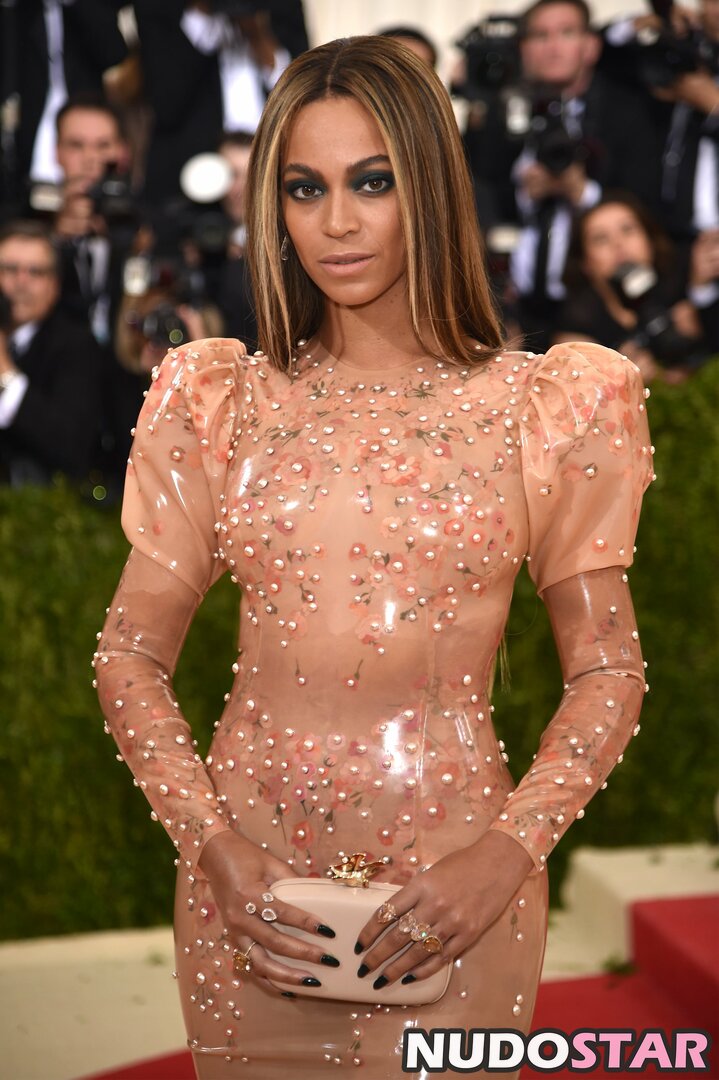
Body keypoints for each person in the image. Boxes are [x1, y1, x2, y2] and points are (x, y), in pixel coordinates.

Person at [93, 37, 654, 1079]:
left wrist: (506, 853)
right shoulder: (217, 403)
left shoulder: (544, 407)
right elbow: (127, 654)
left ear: (429, 188)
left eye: (372, 182)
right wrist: (212, 846)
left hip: (456, 899)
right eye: (304, 188)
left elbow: (608, 671)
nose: (336, 222)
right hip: (249, 904)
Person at [554, 192, 714, 381]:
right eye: (600, 238)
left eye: (627, 229)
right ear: (585, 263)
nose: (618, 244)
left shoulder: (685, 291)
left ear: (650, 241)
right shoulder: (577, 335)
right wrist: (618, 382)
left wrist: (701, 321)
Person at [0, 220, 103, 486]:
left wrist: (6, 374)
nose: (21, 283)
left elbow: (72, 447)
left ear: (54, 284)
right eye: (9, 269)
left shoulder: (77, 345)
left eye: (35, 272)